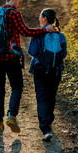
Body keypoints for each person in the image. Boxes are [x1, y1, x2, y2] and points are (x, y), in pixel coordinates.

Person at [0, 0, 55, 133]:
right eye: (19, 2)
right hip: (11, 57)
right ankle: (11, 115)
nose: (19, 5)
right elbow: (25, 31)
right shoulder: (13, 13)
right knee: (17, 86)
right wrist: (44, 30)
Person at [28, 8, 67, 141]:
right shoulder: (60, 35)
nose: (39, 18)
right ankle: (49, 121)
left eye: (40, 16)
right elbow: (64, 54)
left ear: (44, 18)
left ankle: (46, 128)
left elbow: (32, 51)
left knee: (42, 97)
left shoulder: (38, 34)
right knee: (51, 96)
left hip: (40, 70)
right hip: (55, 71)